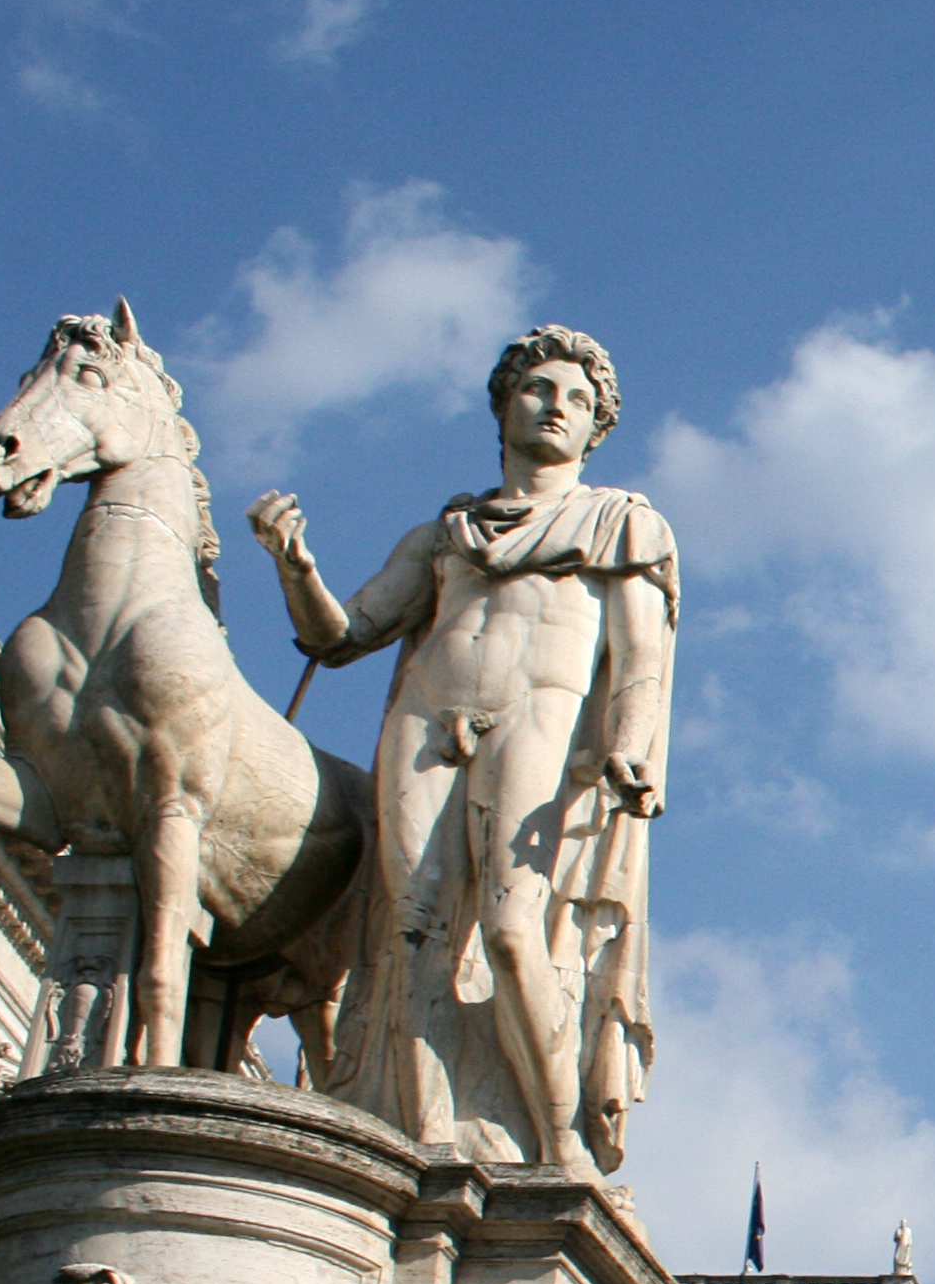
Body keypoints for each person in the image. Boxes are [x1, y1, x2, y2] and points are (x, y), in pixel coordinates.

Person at [252, 325, 675, 1178]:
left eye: (579, 401)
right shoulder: (447, 533)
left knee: (515, 930)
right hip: (427, 713)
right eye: (540, 390)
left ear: (597, 428)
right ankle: (430, 1141)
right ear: (504, 403)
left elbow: (639, 661)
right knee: (411, 935)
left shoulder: (620, 523)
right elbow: (339, 637)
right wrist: (294, 564)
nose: (557, 408)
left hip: (539, 717)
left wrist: (632, 748)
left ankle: (558, 1142)